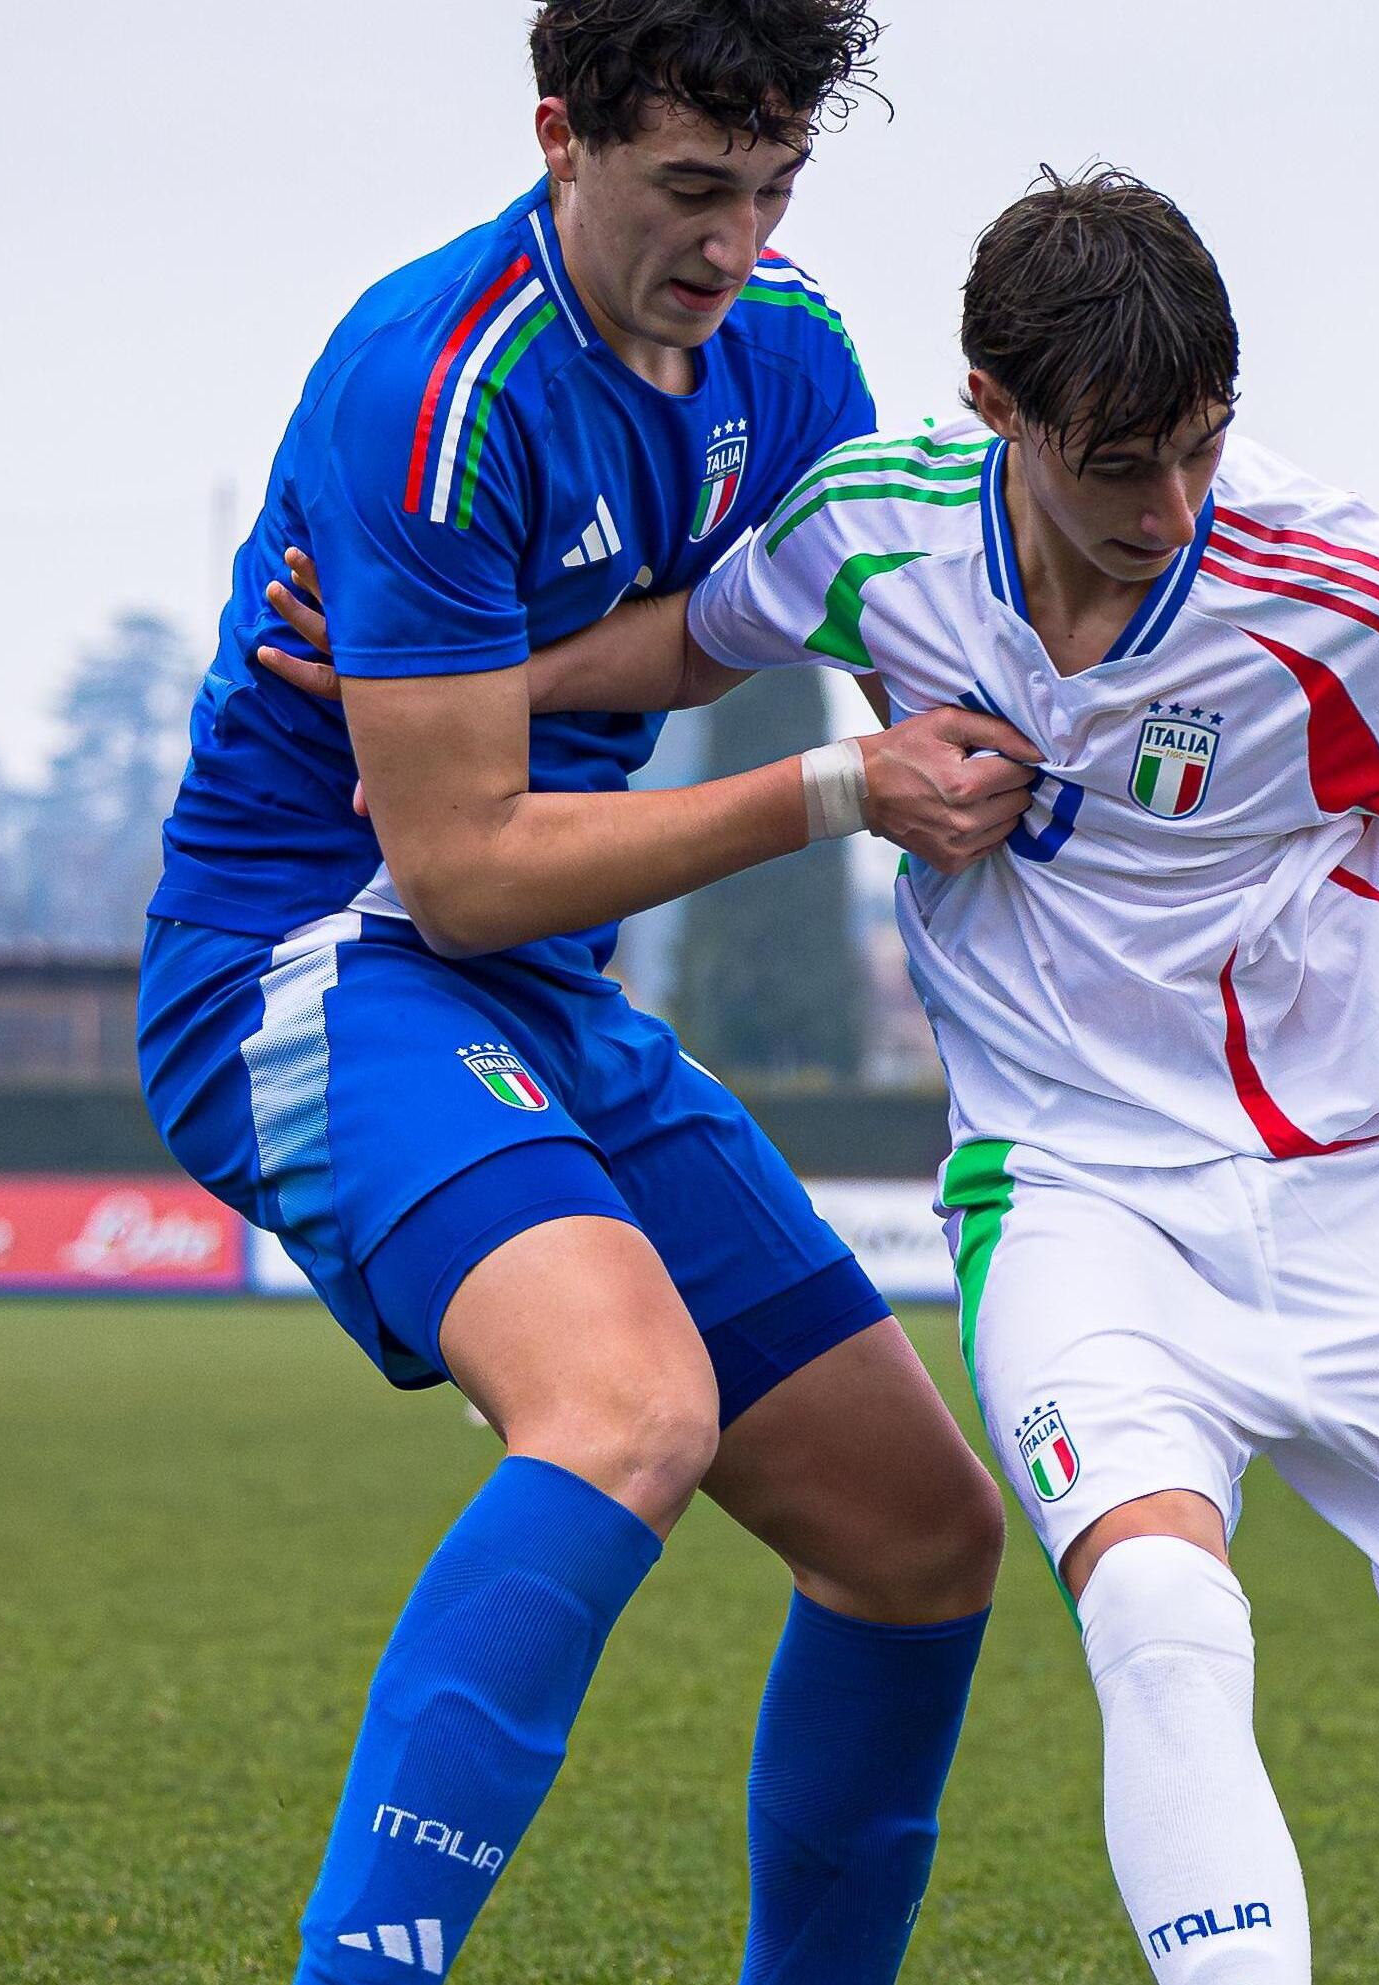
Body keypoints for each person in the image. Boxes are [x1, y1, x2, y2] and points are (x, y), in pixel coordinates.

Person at [282, 166, 1379, 1985]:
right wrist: (445, 687)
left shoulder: (1320, 578)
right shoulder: (878, 528)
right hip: (1071, 1202)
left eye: (1197, 447)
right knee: (1160, 1606)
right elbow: (700, 643)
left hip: (1378, 1178)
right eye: (1117, 466)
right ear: (993, 411)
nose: (1167, 507)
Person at [133, 6, 1042, 1978]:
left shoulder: (789, 352)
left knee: (913, 1531)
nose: (734, 245)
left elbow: (829, 638)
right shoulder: (431, 383)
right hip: (312, 961)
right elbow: (452, 867)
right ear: (557, 133)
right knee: (626, 1399)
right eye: (691, 190)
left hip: (537, 987)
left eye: (776, 188)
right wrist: (824, 790)